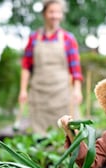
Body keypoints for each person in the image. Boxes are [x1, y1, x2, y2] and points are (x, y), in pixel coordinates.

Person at [19, 0, 83, 137]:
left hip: (62, 93)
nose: (55, 16)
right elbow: (26, 66)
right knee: (40, 135)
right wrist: (23, 90)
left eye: (58, 12)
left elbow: (75, 68)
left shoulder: (68, 38)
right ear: (44, 14)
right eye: (51, 12)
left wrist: (77, 90)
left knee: (67, 134)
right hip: (39, 93)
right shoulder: (34, 38)